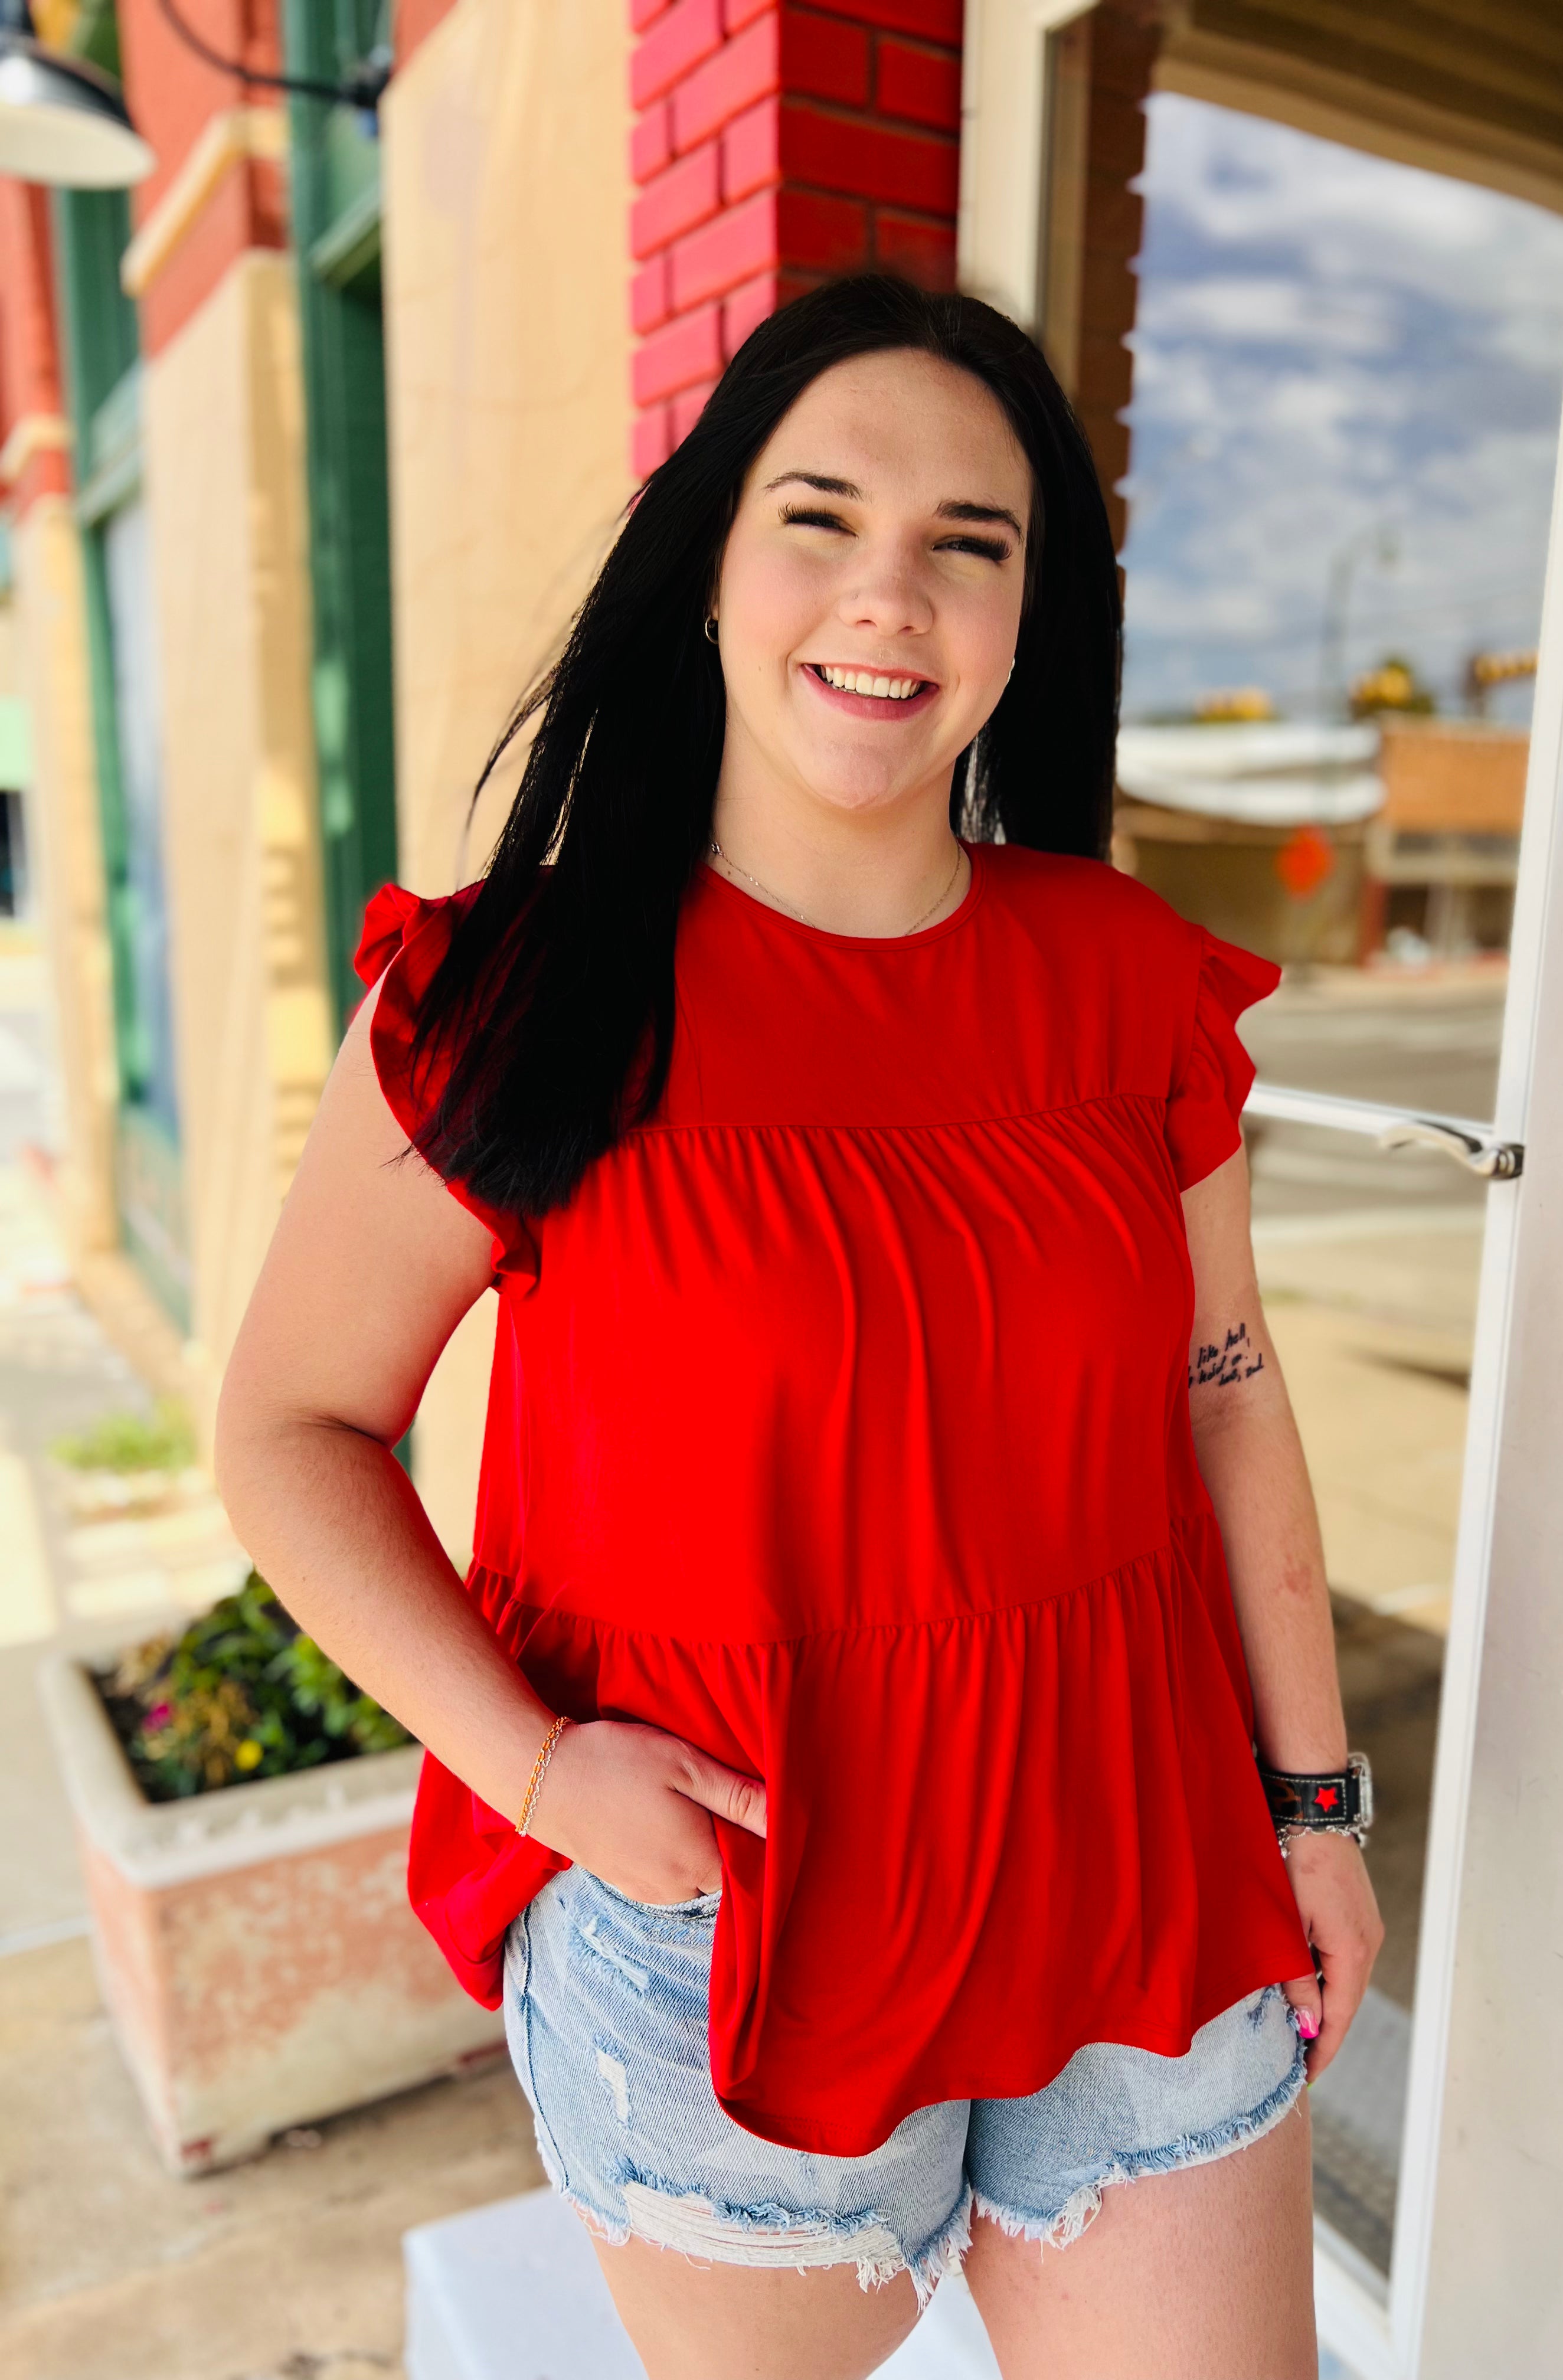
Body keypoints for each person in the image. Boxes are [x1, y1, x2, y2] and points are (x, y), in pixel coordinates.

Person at [215, 274, 1381, 2380]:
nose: (893, 600)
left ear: (1034, 616)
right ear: (710, 565)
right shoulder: (518, 995)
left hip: (1146, 1848)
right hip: (726, 1913)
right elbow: (291, 1429)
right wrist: (541, 1774)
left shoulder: (1125, 982)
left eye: (972, 544)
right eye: (820, 517)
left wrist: (1316, 1811)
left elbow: (1226, 1400)